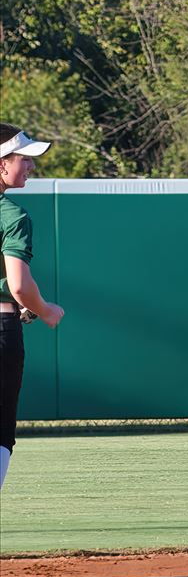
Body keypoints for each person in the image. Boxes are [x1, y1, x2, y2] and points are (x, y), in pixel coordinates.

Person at [0, 124, 62, 493]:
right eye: (24, 160)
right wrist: (44, 309)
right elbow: (20, 285)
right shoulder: (12, 216)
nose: (31, 168)